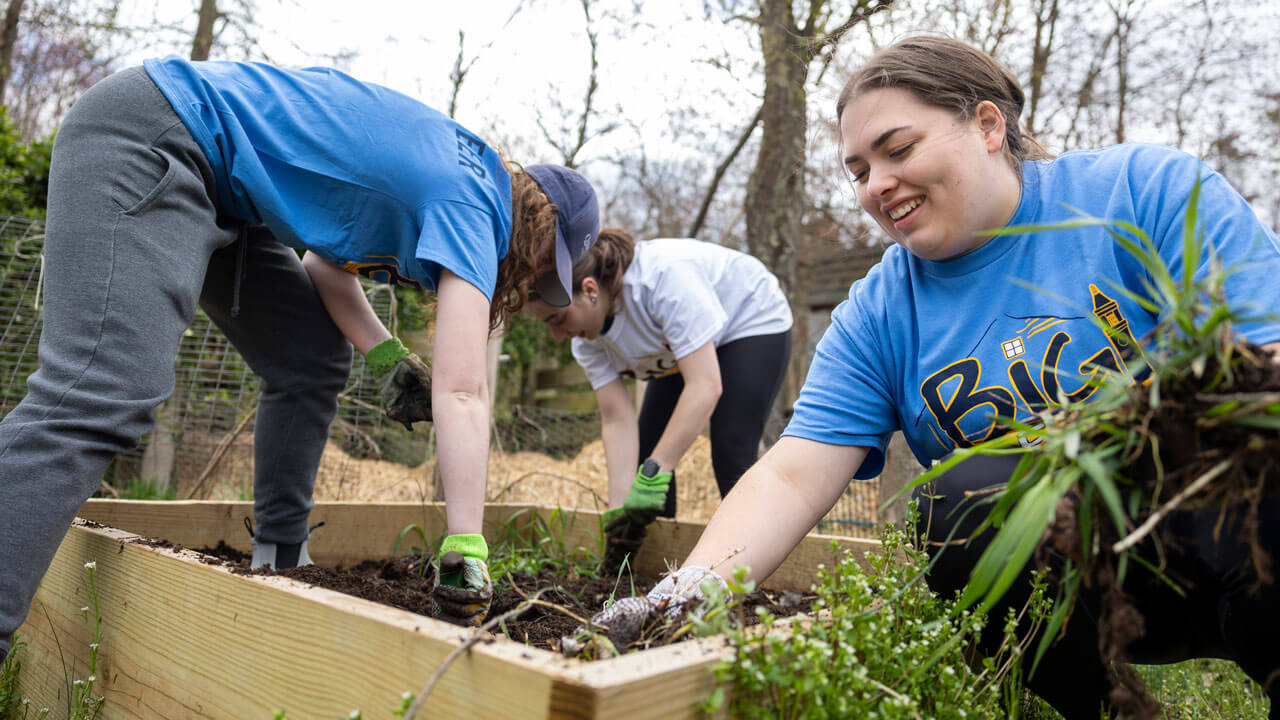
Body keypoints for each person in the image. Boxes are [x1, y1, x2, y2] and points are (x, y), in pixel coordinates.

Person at [584, 35, 1280, 718]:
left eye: (899, 149)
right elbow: (792, 475)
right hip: (1084, 590)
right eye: (858, 170)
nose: (876, 185)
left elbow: (1264, 367)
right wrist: (683, 596)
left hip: (1230, 539)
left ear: (985, 125)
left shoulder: (1142, 192)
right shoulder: (883, 310)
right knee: (955, 501)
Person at [0, 55, 599, 659]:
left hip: (228, 190)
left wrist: (386, 357)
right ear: (539, 230)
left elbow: (324, 265)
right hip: (161, 134)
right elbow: (463, 392)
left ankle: (280, 562)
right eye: (544, 268)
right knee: (100, 391)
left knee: (310, 357)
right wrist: (467, 542)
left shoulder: (454, 175)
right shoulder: (478, 207)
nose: (529, 285)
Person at [525, 229, 792, 570]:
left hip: (749, 317)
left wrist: (656, 471)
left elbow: (705, 386)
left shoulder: (661, 282)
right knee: (648, 448)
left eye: (557, 319)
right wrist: (621, 508)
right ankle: (659, 567)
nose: (558, 336)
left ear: (590, 290)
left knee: (730, 445)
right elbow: (616, 420)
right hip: (680, 350)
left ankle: (753, 566)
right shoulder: (587, 342)